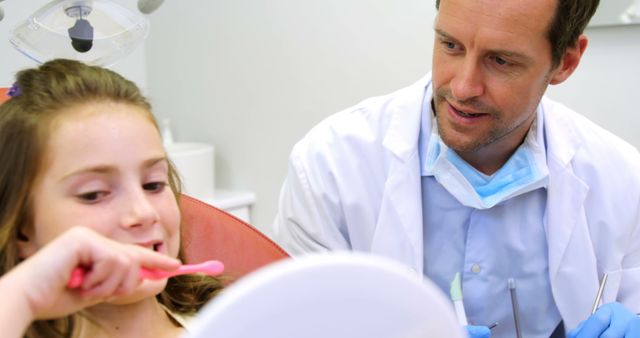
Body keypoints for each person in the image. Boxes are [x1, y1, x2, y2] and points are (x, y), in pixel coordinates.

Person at [272, 0, 640, 337]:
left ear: (566, 62)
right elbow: (289, 324)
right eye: (451, 45)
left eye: (501, 61)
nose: (463, 87)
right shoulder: (329, 167)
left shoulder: (623, 180)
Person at [0, 59, 224, 338]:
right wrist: (23, 298)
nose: (143, 213)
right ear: (22, 227)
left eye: (153, 185)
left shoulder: (238, 320)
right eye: (93, 194)